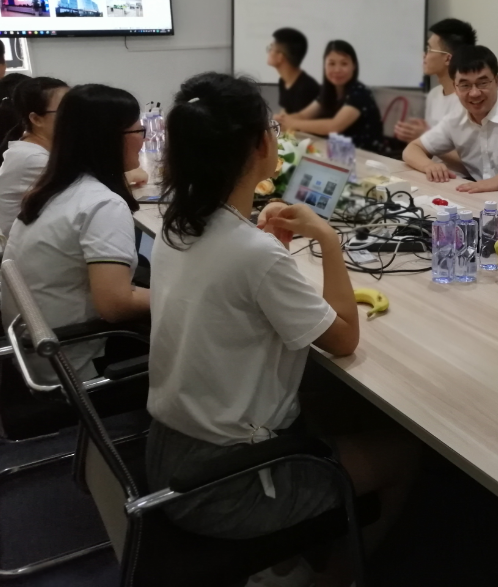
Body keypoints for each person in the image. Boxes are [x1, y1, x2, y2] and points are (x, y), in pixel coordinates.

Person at [146, 72, 418, 586]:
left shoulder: (177, 225)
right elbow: (344, 339)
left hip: (169, 452)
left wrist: (268, 249)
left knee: (333, 404)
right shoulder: (253, 253)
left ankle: (292, 559)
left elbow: (237, 291)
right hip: (225, 486)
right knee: (403, 451)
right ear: (258, 145)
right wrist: (328, 239)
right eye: (271, 127)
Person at [1, 84, 150, 385]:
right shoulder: (102, 204)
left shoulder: (50, 189)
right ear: (110, 138)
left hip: (38, 351)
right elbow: (115, 304)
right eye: (139, 131)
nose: (143, 140)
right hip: (76, 363)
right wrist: (181, 295)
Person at [402, 45, 498, 200]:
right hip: (486, 201)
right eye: (465, 85)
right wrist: (429, 166)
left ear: (497, 82)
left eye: (482, 83)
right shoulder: (455, 117)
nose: (474, 93)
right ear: (455, 88)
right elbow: (413, 149)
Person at [276, 40, 398, 157]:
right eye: (332, 64)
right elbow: (303, 115)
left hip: (369, 157)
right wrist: (282, 119)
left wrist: (293, 123)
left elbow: (333, 126)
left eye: (344, 64)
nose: (337, 70)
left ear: (354, 66)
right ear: (325, 66)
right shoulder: (328, 91)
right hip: (339, 153)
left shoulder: (360, 93)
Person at [0, 77, 69, 240]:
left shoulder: (34, 148)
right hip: (25, 248)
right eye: (65, 111)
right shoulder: (33, 159)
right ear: (36, 119)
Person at [395, 18, 477, 143]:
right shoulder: (434, 94)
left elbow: (466, 152)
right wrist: (415, 134)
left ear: (448, 59)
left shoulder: (468, 101)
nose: (424, 55)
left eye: (429, 49)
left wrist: (424, 136)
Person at [267, 27, 320, 115]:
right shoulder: (283, 81)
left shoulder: (307, 88)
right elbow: (286, 112)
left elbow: (301, 120)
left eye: (270, 49)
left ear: (280, 57)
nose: (268, 52)